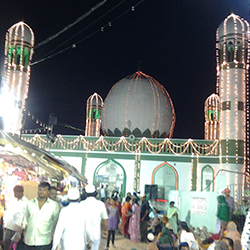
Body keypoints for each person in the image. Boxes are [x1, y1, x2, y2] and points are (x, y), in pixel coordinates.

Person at [22, 182, 60, 250]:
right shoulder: (30, 203)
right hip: (29, 241)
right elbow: (25, 220)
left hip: (45, 242)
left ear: (48, 192)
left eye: (44, 190)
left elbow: (56, 224)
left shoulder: (54, 206)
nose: (41, 192)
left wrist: (54, 240)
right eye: (40, 189)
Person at [80, 184, 108, 250]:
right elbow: (105, 219)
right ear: (95, 193)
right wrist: (105, 230)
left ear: (85, 193)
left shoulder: (81, 204)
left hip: (84, 233)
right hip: (96, 233)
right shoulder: (101, 204)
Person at [3, 185, 29, 250]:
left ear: (21, 192)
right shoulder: (12, 200)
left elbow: (26, 216)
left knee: (14, 246)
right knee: (6, 242)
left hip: (17, 228)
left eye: (16, 192)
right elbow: (7, 212)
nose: (14, 194)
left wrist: (23, 228)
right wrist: (4, 221)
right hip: (8, 225)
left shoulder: (26, 203)